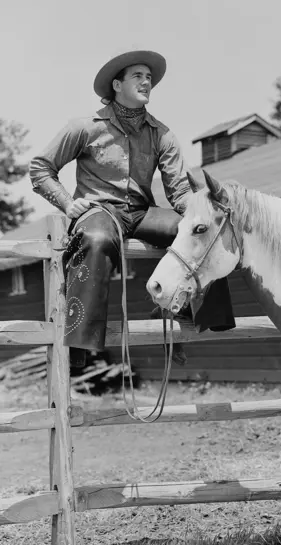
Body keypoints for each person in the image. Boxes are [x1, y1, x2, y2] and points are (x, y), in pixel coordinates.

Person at [29, 49, 235, 367]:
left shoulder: (162, 134)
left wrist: (200, 213)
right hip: (99, 210)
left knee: (198, 231)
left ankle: (192, 312)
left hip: (142, 211)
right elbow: (41, 168)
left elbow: (179, 190)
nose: (146, 82)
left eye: (149, 77)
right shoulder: (84, 127)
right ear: (116, 84)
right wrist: (68, 204)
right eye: (137, 76)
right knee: (96, 240)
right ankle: (78, 349)